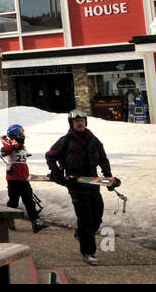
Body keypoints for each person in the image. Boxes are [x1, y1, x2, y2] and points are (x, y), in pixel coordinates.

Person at [46, 108, 119, 265]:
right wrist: (57, 172)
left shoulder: (94, 140)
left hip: (92, 183)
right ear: (72, 124)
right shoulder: (65, 141)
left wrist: (108, 178)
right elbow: (50, 156)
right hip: (75, 185)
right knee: (85, 218)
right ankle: (88, 252)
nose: (80, 123)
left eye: (82, 121)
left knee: (97, 214)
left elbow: (103, 160)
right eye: (76, 121)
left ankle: (81, 233)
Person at [0, 124, 47, 233]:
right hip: (13, 178)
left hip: (24, 178)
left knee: (29, 200)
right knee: (13, 201)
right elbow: (4, 151)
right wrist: (12, 144)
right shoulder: (10, 144)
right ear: (16, 134)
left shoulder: (22, 146)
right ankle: (7, 220)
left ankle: (36, 222)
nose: (23, 135)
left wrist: (19, 146)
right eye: (21, 133)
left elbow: (25, 154)